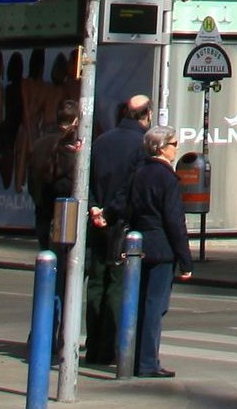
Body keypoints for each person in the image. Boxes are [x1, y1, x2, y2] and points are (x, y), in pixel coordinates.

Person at [102, 127, 190, 378]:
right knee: (155, 305)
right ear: (162, 148)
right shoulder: (168, 178)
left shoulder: (138, 172)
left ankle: (129, 356)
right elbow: (175, 222)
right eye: (174, 144)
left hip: (137, 246)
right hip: (161, 247)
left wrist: (105, 215)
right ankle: (147, 362)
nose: (176, 148)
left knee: (137, 303)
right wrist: (186, 260)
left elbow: (120, 201)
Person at [82, 94, 154, 374]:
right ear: (146, 114)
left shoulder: (102, 141)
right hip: (122, 223)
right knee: (117, 285)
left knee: (96, 284)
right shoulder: (142, 145)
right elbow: (130, 188)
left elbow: (84, 178)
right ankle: (110, 346)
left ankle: (94, 345)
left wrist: (94, 210)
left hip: (97, 220)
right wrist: (109, 213)